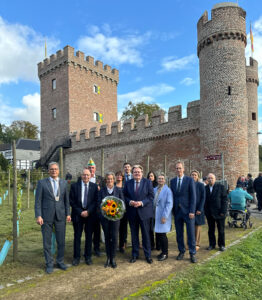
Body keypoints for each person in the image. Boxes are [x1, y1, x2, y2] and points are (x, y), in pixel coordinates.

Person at [35, 162, 71, 274]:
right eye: (51, 169)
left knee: (61, 241)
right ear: (48, 171)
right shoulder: (42, 183)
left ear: (59, 170)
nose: (54, 171)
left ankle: (60, 261)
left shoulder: (64, 183)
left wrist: (68, 214)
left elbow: (66, 200)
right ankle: (49, 264)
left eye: (55, 169)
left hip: (60, 215)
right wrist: (38, 215)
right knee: (47, 242)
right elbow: (38, 201)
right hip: (46, 216)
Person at [123, 164, 154, 264]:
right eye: (135, 172)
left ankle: (148, 255)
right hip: (132, 213)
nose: (137, 173)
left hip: (144, 213)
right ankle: (134, 254)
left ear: (142, 173)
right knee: (134, 235)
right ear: (132, 173)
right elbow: (124, 196)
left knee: (146, 235)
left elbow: (151, 196)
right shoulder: (128, 183)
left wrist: (142, 203)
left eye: (138, 172)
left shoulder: (148, 182)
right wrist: (129, 202)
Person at [69, 168, 98, 266]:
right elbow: (71, 201)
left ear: (90, 176)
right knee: (77, 236)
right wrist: (80, 212)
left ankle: (88, 256)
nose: (86, 176)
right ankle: (76, 257)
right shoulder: (74, 186)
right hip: (78, 215)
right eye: (84, 175)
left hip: (90, 216)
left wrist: (88, 211)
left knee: (89, 236)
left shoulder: (94, 187)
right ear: (81, 175)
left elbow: (95, 201)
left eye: (87, 175)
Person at [170, 161, 197, 263]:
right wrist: (172, 210)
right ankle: (181, 251)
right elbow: (172, 196)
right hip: (177, 212)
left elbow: (193, 197)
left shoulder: (189, 180)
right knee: (179, 233)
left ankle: (192, 253)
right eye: (177, 168)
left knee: (190, 233)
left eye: (180, 168)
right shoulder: (172, 181)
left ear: (183, 169)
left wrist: (192, 210)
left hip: (188, 212)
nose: (178, 170)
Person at [99, 172, 124, 268]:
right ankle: (108, 257)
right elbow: (99, 204)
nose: (109, 180)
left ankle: (113, 258)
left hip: (115, 219)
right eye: (108, 179)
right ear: (106, 180)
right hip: (105, 219)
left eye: (111, 179)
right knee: (107, 237)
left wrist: (117, 212)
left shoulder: (119, 190)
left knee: (114, 237)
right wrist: (104, 212)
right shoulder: (101, 191)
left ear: (114, 180)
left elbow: (122, 203)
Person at [205, 173, 227, 251]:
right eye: (209, 178)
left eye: (212, 178)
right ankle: (212, 244)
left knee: (221, 230)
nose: (210, 180)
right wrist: (206, 212)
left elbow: (224, 200)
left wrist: (223, 211)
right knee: (211, 230)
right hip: (210, 213)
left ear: (215, 179)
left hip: (219, 212)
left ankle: (221, 245)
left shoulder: (221, 187)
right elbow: (205, 201)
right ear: (207, 180)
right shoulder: (206, 188)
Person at [154, 173, 173, 261]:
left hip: (162, 216)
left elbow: (169, 204)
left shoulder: (168, 190)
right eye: (159, 178)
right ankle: (161, 251)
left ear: (165, 180)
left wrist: (165, 216)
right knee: (158, 234)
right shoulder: (155, 189)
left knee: (162, 235)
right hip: (155, 215)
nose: (160, 180)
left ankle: (165, 253)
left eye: (162, 178)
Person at [88, 158, 103, 257]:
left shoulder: (100, 179)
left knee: (97, 230)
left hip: (97, 209)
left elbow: (105, 191)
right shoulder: (84, 177)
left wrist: (100, 189)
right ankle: (88, 248)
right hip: (88, 209)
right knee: (88, 230)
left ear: (95, 168)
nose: (91, 170)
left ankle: (97, 248)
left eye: (92, 168)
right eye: (89, 168)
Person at [190, 170, 205, 251]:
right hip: (190, 209)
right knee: (190, 227)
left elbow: (203, 198)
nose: (193, 176)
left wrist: (200, 208)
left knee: (197, 227)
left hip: (198, 209)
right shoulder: (188, 185)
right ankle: (190, 243)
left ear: (198, 176)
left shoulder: (200, 185)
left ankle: (196, 243)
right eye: (192, 175)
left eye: (195, 175)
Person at [115, 170, 128, 253]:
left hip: (124, 211)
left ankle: (122, 245)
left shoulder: (125, 186)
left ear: (123, 177)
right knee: (115, 228)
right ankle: (114, 245)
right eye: (117, 175)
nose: (119, 176)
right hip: (115, 211)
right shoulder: (113, 186)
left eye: (120, 175)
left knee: (123, 228)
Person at [147, 171, 159, 250]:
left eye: (152, 176)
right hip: (148, 210)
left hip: (156, 211)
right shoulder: (145, 186)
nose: (150, 177)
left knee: (157, 228)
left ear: (154, 177)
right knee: (150, 229)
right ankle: (151, 244)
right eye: (149, 176)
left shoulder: (157, 187)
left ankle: (158, 245)